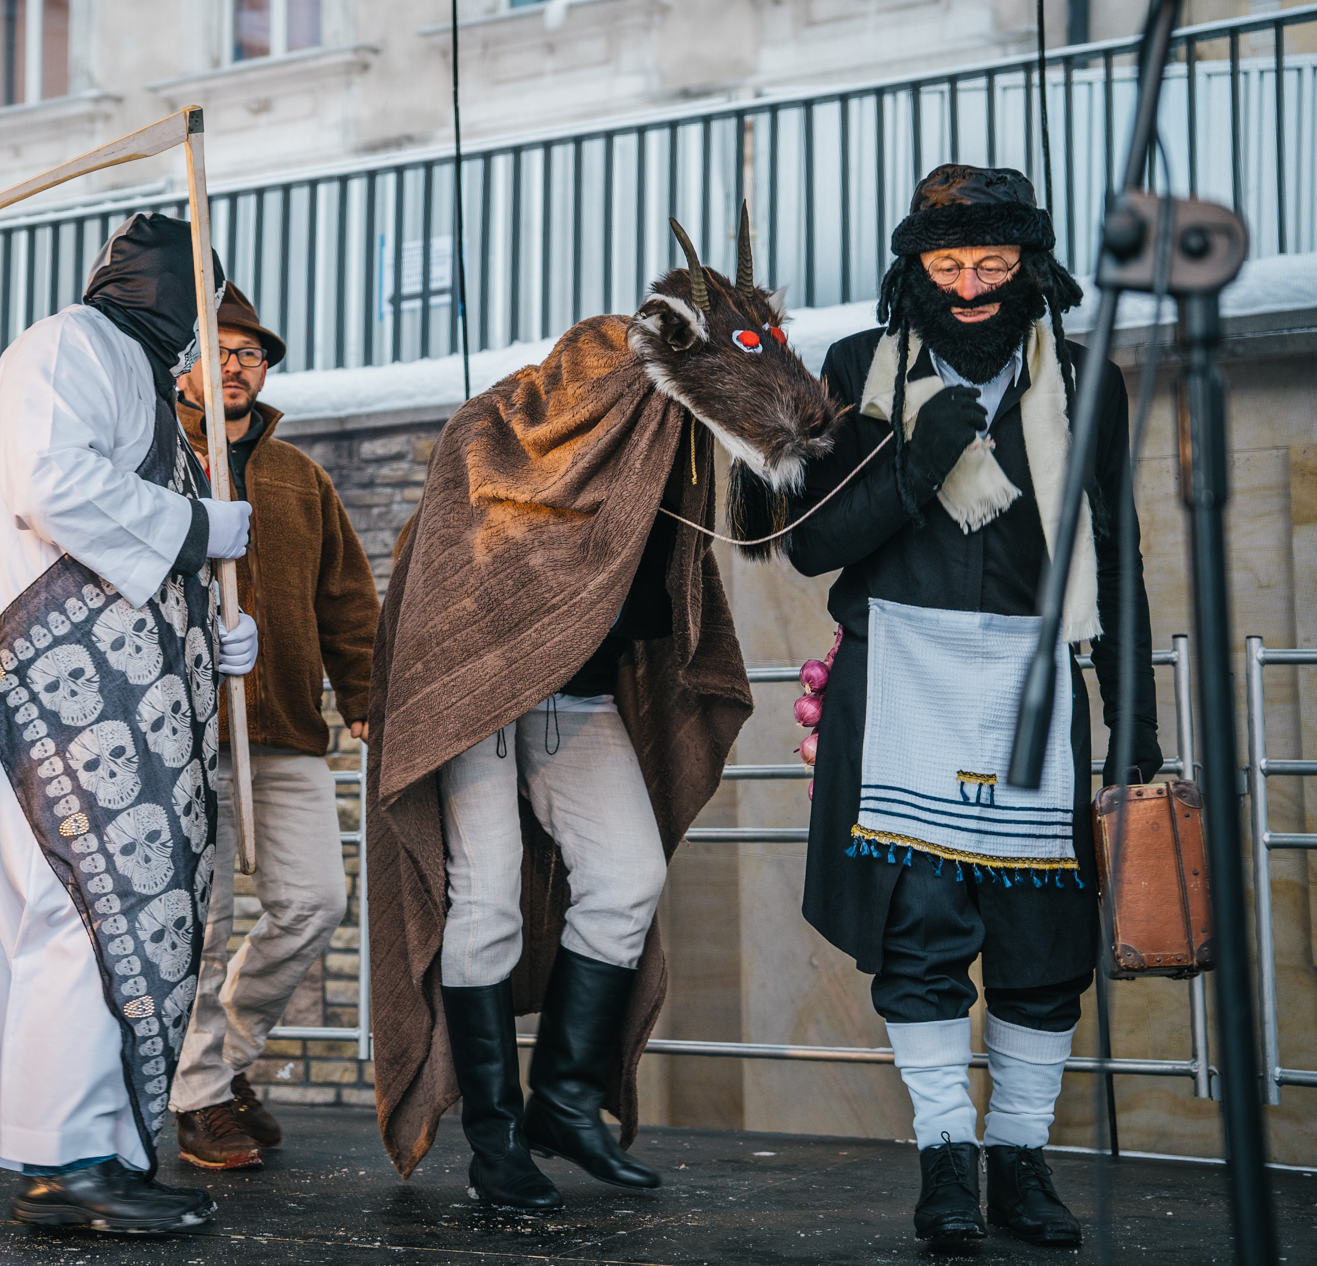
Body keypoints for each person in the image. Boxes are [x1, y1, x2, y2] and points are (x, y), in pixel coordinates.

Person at [365, 219, 843, 1209]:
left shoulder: (677, 433)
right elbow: (484, 531)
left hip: (578, 696)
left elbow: (746, 494)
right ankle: (495, 1140)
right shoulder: (569, 398)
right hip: (480, 694)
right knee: (486, 896)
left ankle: (565, 1106)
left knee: (624, 875)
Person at [781, 164, 1159, 1251]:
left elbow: (1117, 560)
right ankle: (944, 1162)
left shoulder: (1088, 381)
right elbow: (810, 545)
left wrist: (1132, 725)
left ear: (1030, 266)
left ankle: (1018, 1168)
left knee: (1041, 943)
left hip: (1039, 682)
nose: (968, 285)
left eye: (991, 263)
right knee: (920, 935)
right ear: (913, 273)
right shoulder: (857, 371)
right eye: (946, 266)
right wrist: (917, 459)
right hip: (900, 677)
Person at [0, 213, 261, 1234]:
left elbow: (119, 550)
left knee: (125, 929)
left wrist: (204, 639)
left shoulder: (133, 370)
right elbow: (57, 489)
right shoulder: (68, 346)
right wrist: (195, 528)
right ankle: (67, 1163)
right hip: (60, 699)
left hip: (112, 702)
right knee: (84, 925)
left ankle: (107, 1151)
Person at [168, 283, 380, 1171]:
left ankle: (223, 1061)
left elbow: (348, 604)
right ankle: (198, 1097)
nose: (238, 365)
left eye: (252, 352)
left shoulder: (301, 476)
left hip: (286, 728)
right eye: (220, 349)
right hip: (183, 736)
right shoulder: (153, 462)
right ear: (183, 366)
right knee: (202, 928)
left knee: (314, 903)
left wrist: (366, 701)